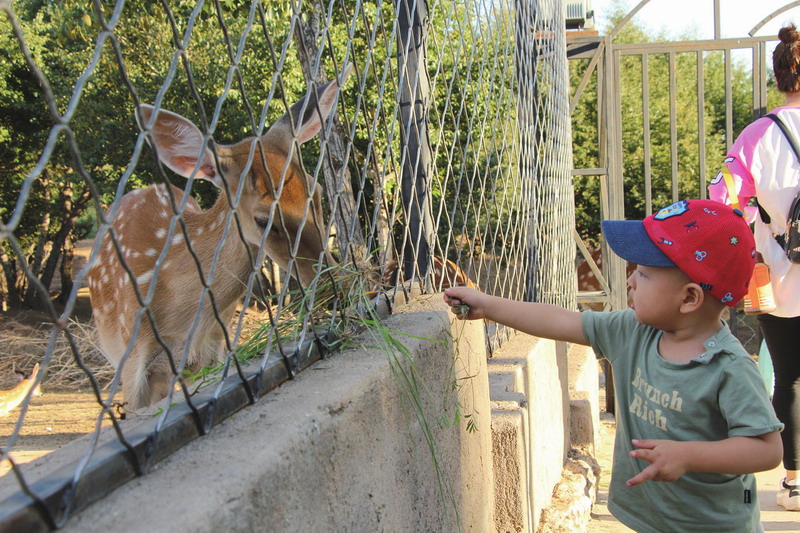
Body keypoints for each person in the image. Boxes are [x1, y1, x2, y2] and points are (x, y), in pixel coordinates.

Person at [444, 199, 783, 533]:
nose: (631, 280)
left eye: (644, 274)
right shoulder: (632, 331)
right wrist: (489, 306)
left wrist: (690, 455)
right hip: (650, 519)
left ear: (689, 298)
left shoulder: (729, 368)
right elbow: (562, 321)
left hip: (713, 525)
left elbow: (766, 449)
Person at [708, 23, 800, 512]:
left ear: (779, 75)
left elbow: (722, 197)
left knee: (790, 377)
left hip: (781, 276)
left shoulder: (758, 135)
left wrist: (756, 234)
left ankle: (794, 481)